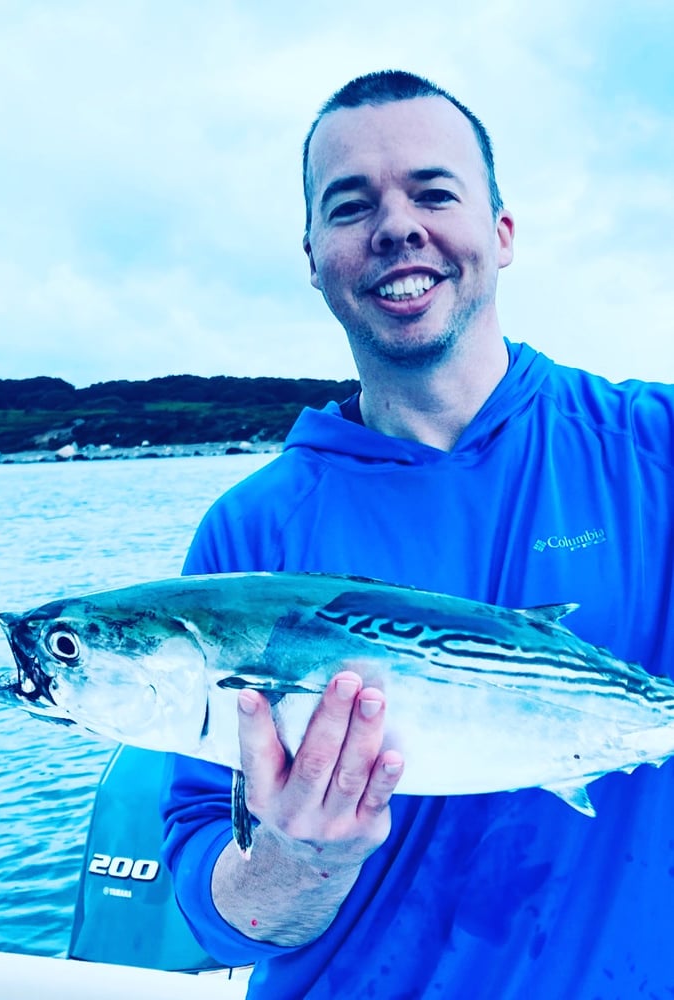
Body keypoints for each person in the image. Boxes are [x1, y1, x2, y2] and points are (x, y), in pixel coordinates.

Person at [160, 70, 674, 998]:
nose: (397, 226)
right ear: (313, 256)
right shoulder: (249, 533)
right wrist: (296, 859)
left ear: (502, 232)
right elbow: (206, 904)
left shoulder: (654, 449)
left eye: (433, 193)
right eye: (351, 206)